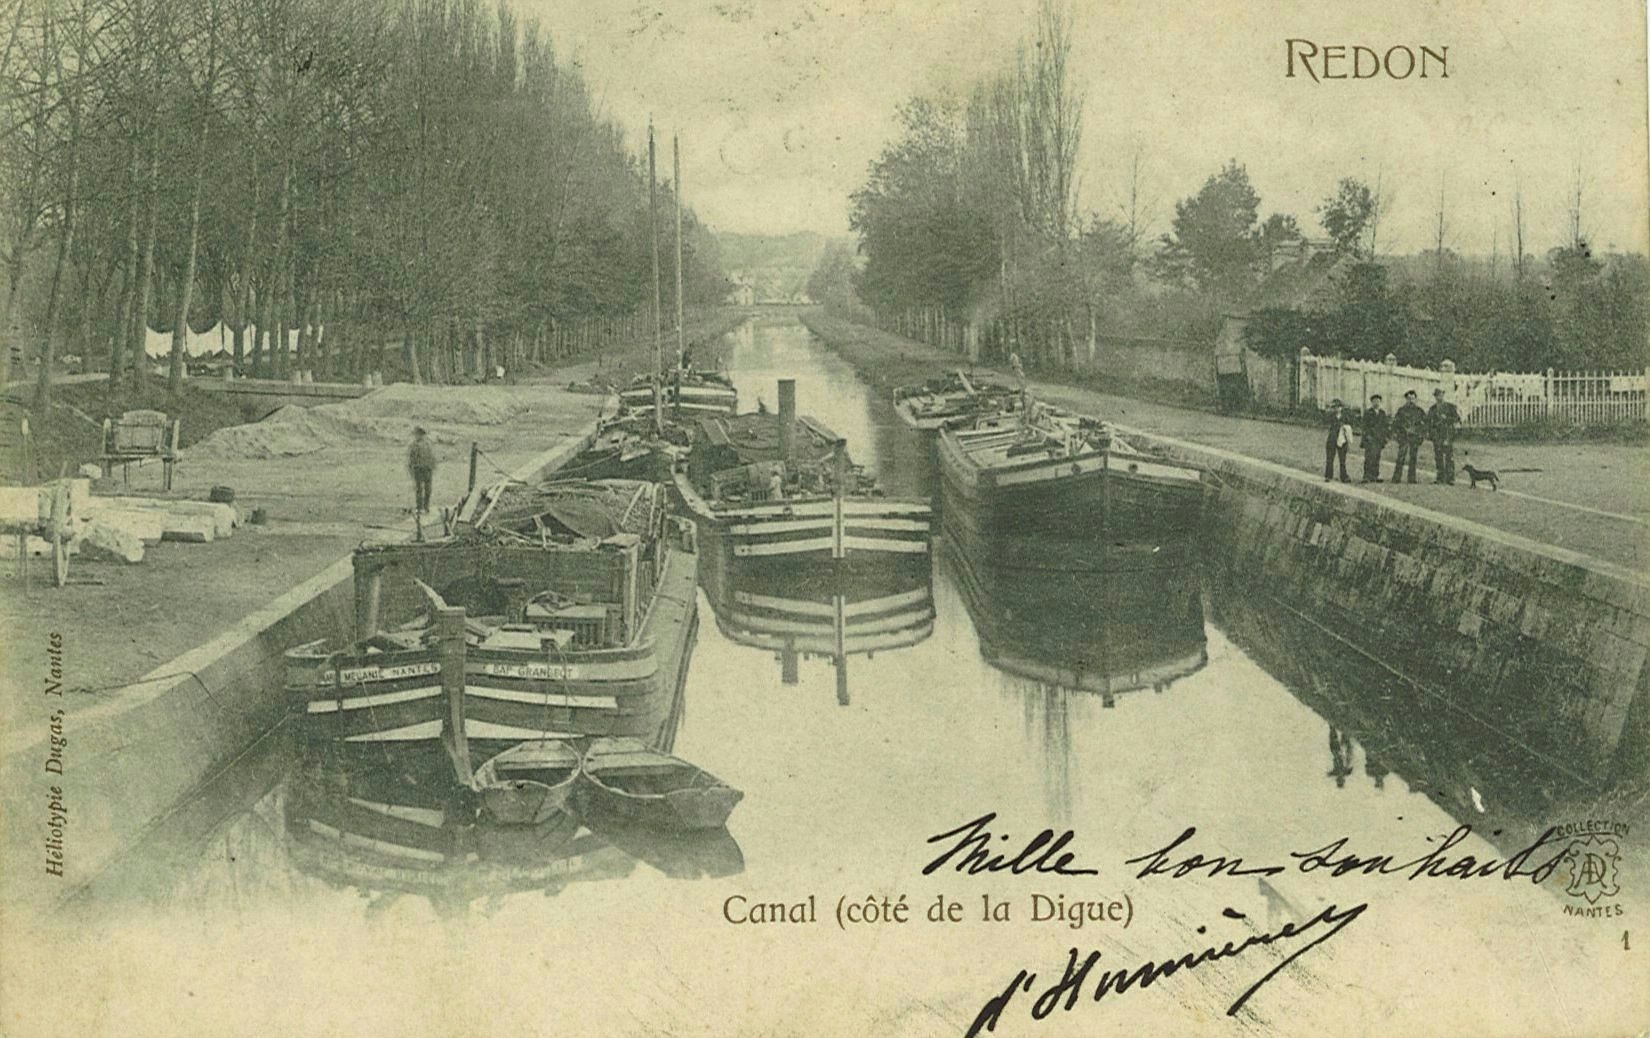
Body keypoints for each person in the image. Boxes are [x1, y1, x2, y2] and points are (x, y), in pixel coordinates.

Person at [1391, 389, 1426, 484]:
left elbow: (1424, 425)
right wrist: (1398, 435)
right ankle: (1396, 477)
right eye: (1409, 399)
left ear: (1416, 400)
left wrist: (1421, 435)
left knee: (1413, 458)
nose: (1411, 401)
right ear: (1406, 399)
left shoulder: (1419, 411)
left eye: (1413, 399)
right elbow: (1396, 424)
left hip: (1414, 437)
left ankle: (1412, 478)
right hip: (1404, 437)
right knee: (1401, 457)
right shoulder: (1401, 411)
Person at [1428, 388, 1461, 485]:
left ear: (1443, 395)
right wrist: (1432, 434)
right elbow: (1429, 422)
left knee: (1449, 457)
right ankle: (1440, 477)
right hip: (1437, 435)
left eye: (1441, 395)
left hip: (1447, 434)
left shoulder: (1450, 407)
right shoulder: (1432, 409)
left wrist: (1447, 418)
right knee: (1438, 457)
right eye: (1437, 395)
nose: (1439, 397)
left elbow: (1456, 418)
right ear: (1435, 397)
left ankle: (1450, 478)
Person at [1359, 394, 1389, 483]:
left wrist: (1385, 437)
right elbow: (1364, 426)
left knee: (1377, 457)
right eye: (1374, 401)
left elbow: (1385, 426)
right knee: (1369, 457)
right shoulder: (1368, 413)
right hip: (1370, 438)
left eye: (1378, 401)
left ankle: (1375, 475)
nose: (1376, 403)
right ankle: (1366, 476)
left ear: (1380, 402)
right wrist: (1367, 436)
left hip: (1379, 439)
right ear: (1372, 402)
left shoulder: (1382, 413)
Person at [408, 427, 435, 514]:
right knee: (419, 488)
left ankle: (426, 507)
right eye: (417, 435)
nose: (418, 436)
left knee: (428, 489)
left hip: (427, 469)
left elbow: (432, 457)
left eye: (419, 435)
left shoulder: (428, 445)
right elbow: (411, 458)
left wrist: (432, 467)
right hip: (418, 468)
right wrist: (411, 467)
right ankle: (419, 507)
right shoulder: (414, 445)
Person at [1322, 399, 1351, 483]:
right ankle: (1328, 475)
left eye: (1339, 407)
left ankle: (1343, 476)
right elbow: (1325, 420)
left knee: (1342, 459)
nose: (1337, 409)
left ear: (1341, 408)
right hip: (1332, 438)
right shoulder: (1330, 416)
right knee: (1330, 458)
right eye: (1335, 407)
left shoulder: (1345, 417)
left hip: (1342, 439)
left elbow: (1349, 426)